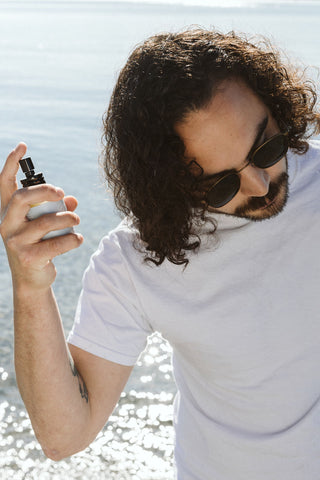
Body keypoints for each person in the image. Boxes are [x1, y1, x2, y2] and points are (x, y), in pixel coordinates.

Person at [1, 27, 320, 480]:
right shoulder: (136, 261)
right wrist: (29, 285)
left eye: (266, 147)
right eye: (222, 184)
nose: (262, 185)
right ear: (172, 183)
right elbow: (64, 436)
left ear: (275, 103)